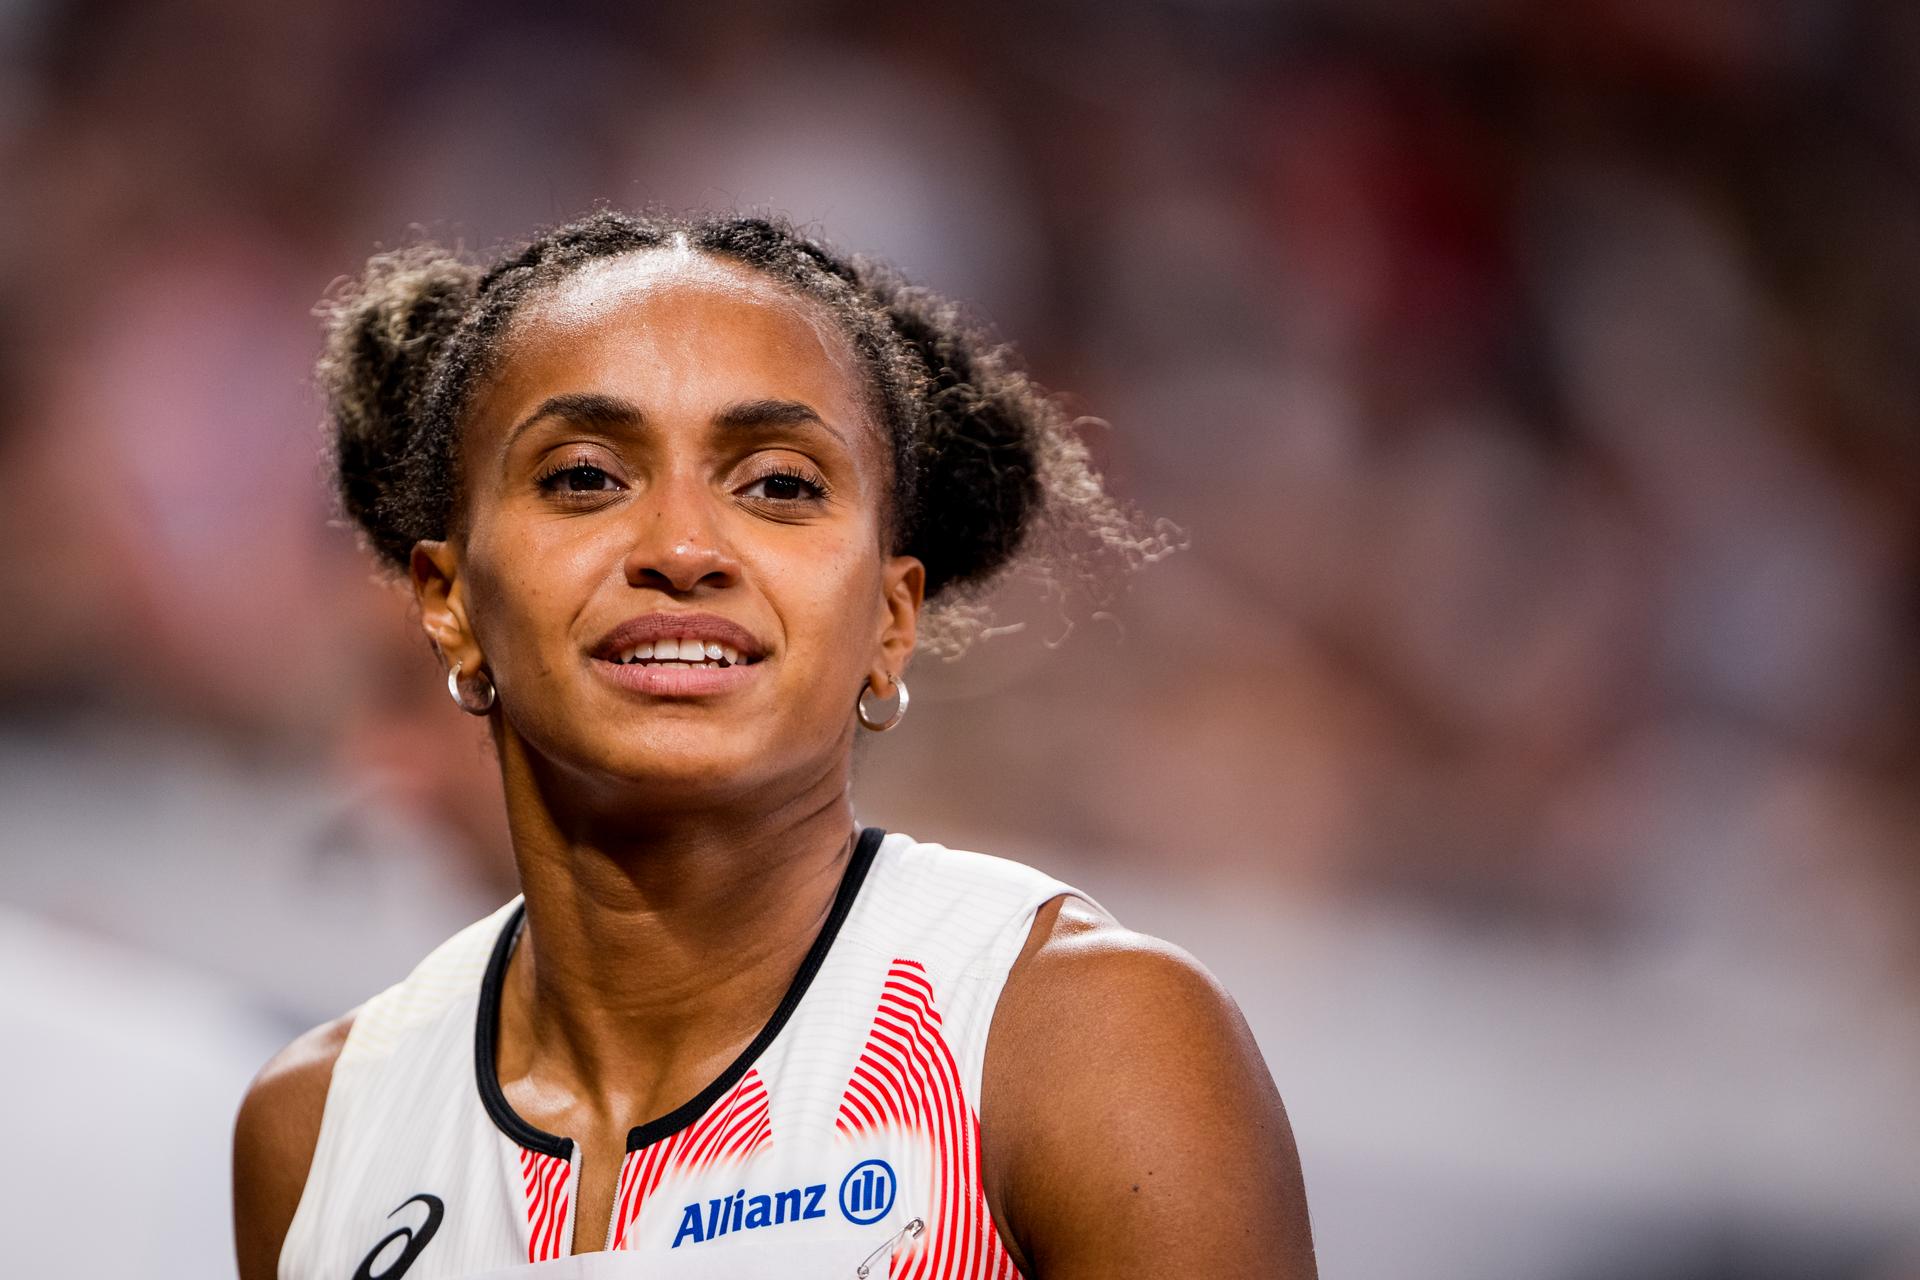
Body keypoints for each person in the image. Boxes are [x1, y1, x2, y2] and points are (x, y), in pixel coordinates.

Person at [232, 210, 1317, 1279]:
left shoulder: (1073, 1041)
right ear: (449, 600)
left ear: (892, 620)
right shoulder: (317, 1132)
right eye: (585, 477)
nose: (684, 547)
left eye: (781, 485)